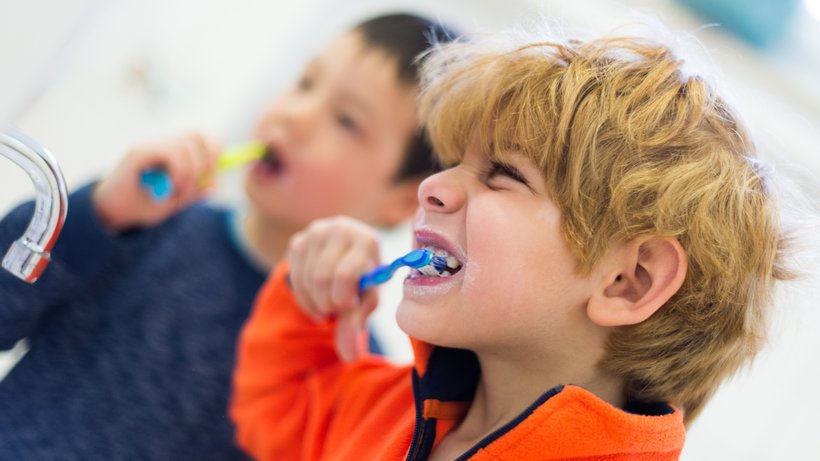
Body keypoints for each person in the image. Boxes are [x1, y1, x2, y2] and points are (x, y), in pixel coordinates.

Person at [230, 30, 795, 460]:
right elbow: (273, 411)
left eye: (501, 172)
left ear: (630, 281)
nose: (433, 187)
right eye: (455, 162)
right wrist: (308, 302)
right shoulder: (383, 408)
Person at [0, 13, 458, 461]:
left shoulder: (345, 362)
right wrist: (96, 215)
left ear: (403, 200)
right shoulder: (146, 225)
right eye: (305, 82)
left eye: (346, 121)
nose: (295, 115)